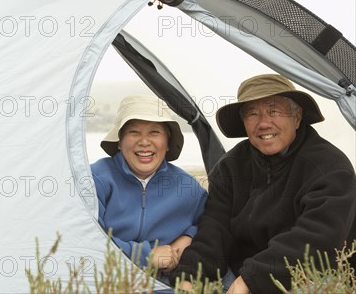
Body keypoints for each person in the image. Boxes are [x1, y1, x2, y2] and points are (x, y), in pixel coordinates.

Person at [173, 74, 356, 293]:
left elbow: (318, 241)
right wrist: (190, 276)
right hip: (242, 271)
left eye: (274, 111)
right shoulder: (230, 166)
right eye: (252, 114)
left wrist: (251, 279)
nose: (263, 123)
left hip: (310, 274)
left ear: (297, 117)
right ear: (243, 123)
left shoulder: (330, 166)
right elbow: (215, 229)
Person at [91, 95, 207, 275]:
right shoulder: (95, 179)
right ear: (119, 142)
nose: (144, 142)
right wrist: (146, 256)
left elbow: (212, 225)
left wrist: (188, 237)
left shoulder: (188, 187)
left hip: (164, 284)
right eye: (134, 132)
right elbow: (85, 236)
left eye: (154, 132)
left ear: (168, 143)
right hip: (105, 278)